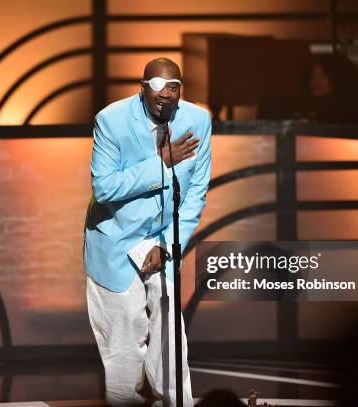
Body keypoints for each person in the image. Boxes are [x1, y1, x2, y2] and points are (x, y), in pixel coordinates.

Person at [83, 57, 212, 406]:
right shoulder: (111, 121)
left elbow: (195, 193)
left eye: (172, 88)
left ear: (180, 91)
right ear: (142, 89)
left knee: (171, 340)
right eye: (156, 88)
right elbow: (105, 188)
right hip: (116, 240)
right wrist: (161, 163)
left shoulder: (198, 121)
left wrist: (168, 246)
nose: (164, 95)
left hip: (163, 238)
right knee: (123, 349)